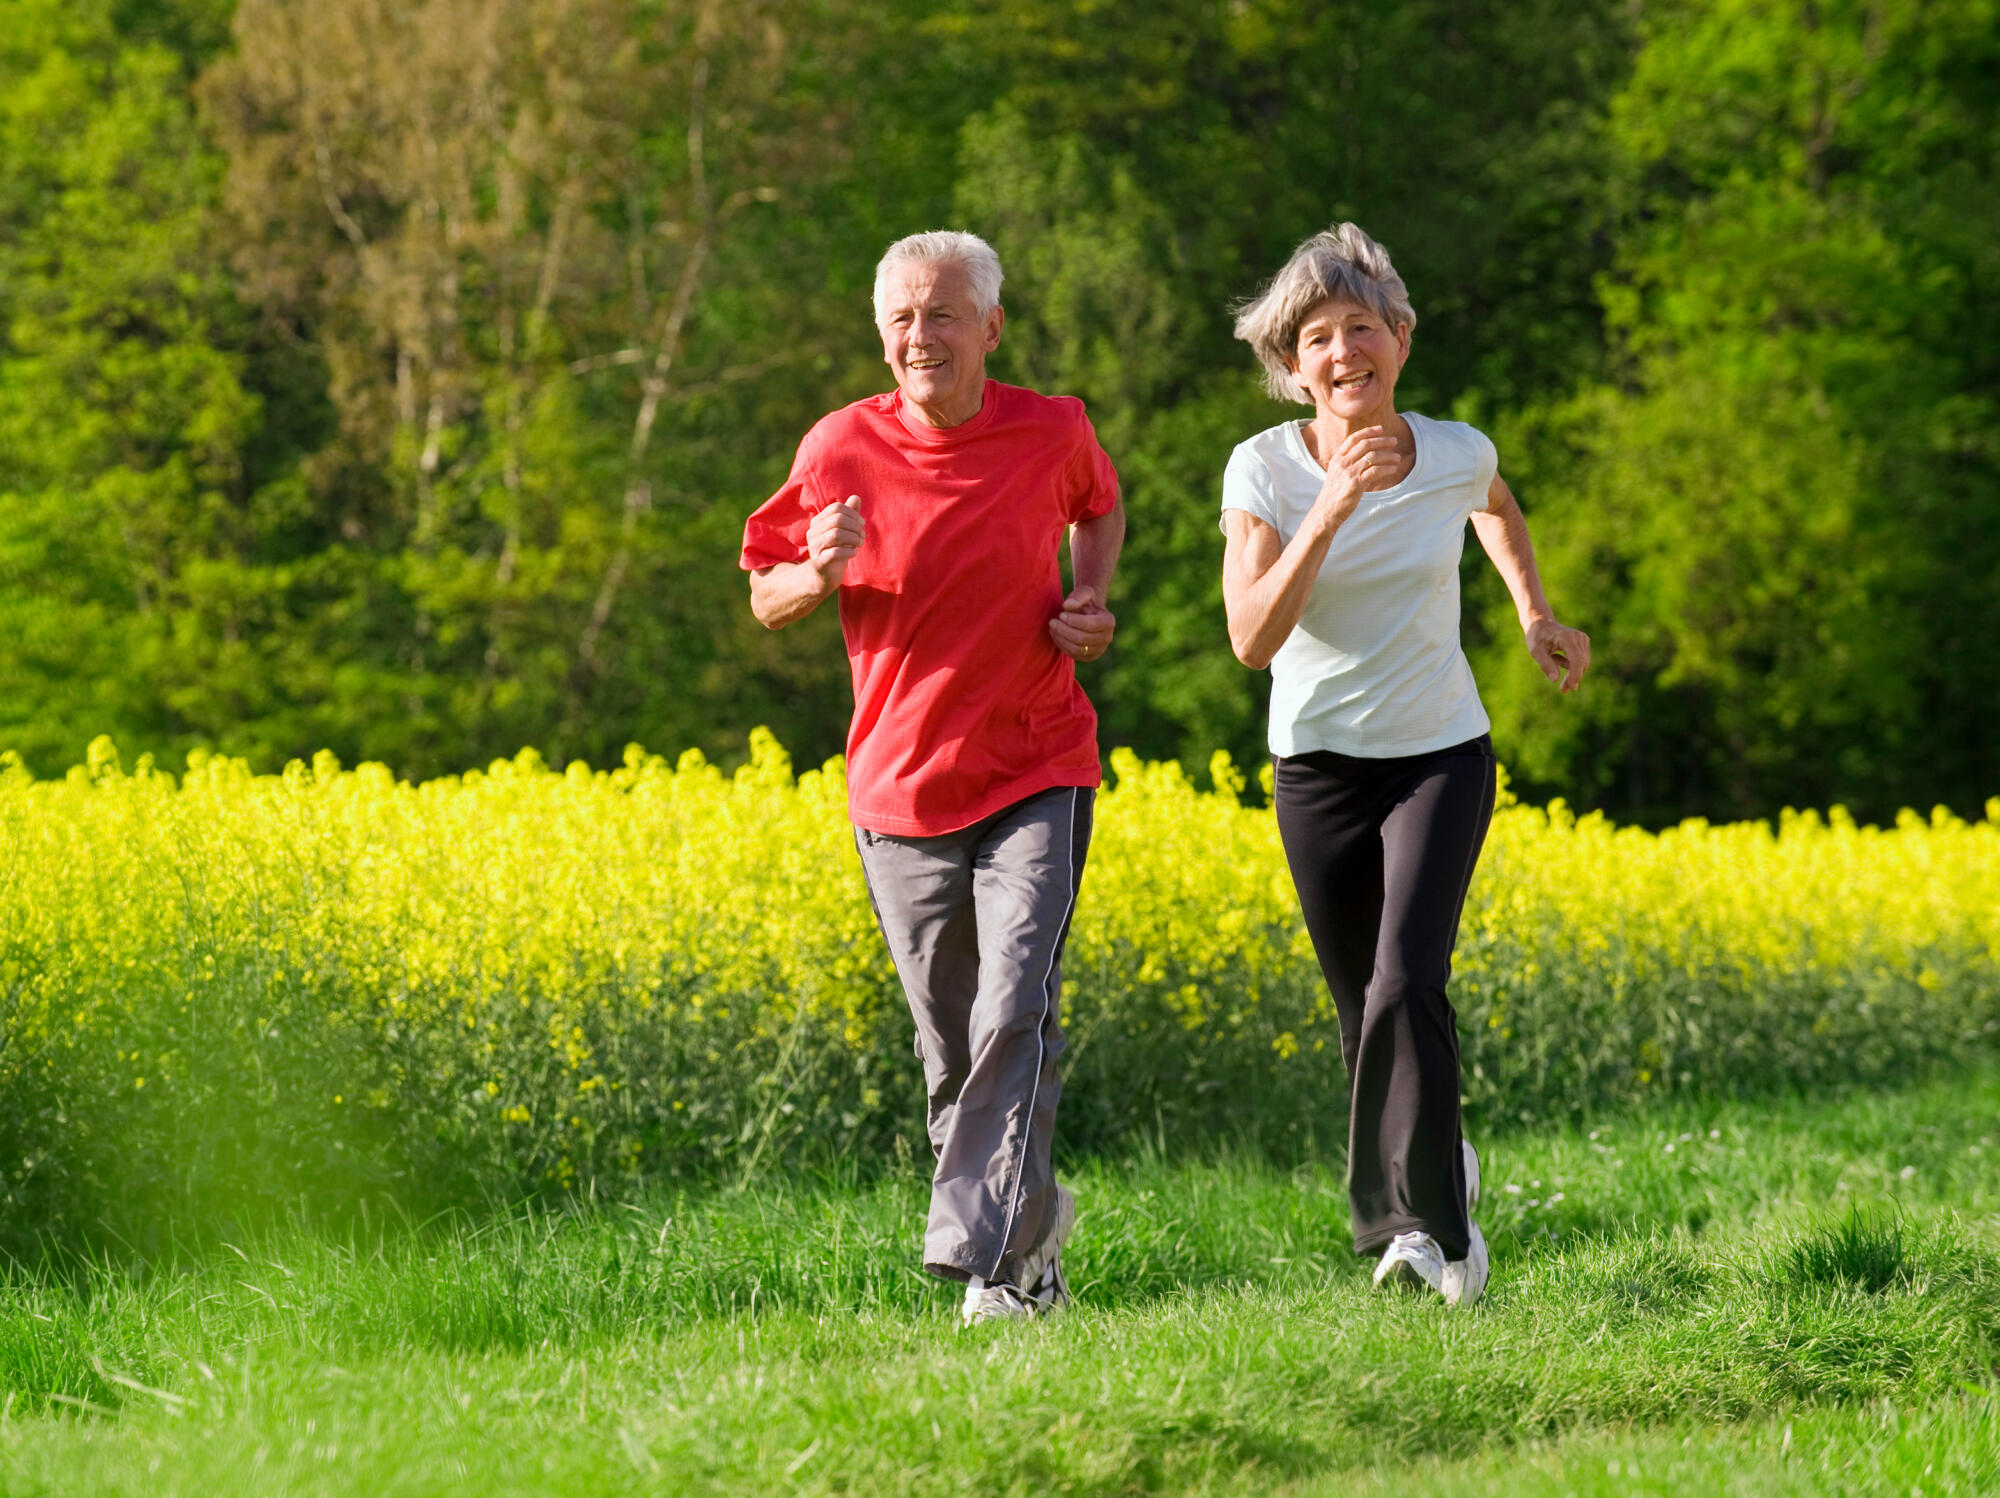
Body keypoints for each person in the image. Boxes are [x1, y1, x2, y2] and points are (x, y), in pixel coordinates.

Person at [741, 230, 1126, 1326]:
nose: (922, 335)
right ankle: (1033, 1243)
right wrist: (813, 569)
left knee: (1016, 1005)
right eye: (904, 318)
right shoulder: (836, 449)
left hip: (1036, 762)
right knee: (955, 1048)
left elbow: (1098, 505)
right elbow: (765, 596)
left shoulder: (1052, 428)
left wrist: (1087, 601)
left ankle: (982, 1262)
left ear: (990, 329)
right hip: (900, 789)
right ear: (879, 334)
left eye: (944, 313)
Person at [1219, 223, 1590, 1307]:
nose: (1342, 351)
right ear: (1293, 369)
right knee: (1359, 1014)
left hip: (1440, 756)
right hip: (1317, 772)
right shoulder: (1262, 471)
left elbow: (1495, 507)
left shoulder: (1454, 449)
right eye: (1317, 338)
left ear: (1400, 341)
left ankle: (1429, 1239)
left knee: (1404, 982)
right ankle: (1438, 1182)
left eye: (1361, 327)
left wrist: (1533, 611)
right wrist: (1333, 504)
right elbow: (1249, 637)